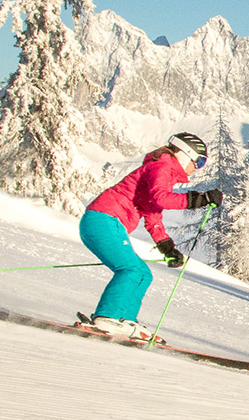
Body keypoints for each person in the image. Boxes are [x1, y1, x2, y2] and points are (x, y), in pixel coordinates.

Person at [79, 132, 221, 341]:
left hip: (105, 222)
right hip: (103, 219)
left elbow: (153, 216)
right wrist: (199, 199)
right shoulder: (162, 166)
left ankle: (124, 320)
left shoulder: (162, 171)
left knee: (143, 273)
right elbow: (161, 198)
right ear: (184, 154)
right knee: (131, 269)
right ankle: (107, 318)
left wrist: (167, 248)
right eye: (199, 161)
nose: (198, 167)